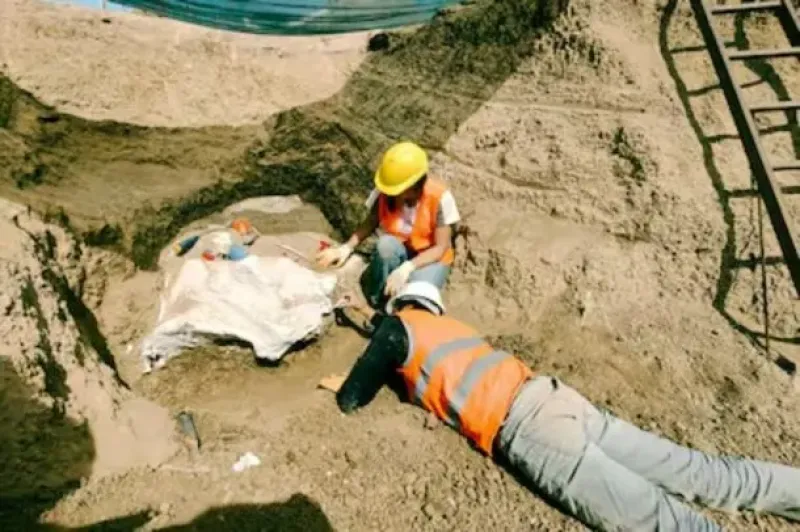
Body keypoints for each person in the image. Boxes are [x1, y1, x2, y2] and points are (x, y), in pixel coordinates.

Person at [318, 281, 800, 531]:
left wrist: (353, 378)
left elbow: (351, 398)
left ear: (395, 306)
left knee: (657, 519)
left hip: (528, 429)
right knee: (703, 473)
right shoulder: (450, 327)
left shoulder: (395, 331)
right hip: (556, 399)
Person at [315, 141, 460, 309]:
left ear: (413, 186)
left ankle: (398, 316)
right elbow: (371, 221)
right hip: (403, 249)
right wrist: (345, 248)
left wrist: (407, 268)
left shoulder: (440, 197)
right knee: (385, 246)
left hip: (431, 257)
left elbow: (440, 248)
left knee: (418, 296)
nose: (391, 194)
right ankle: (376, 304)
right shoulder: (386, 191)